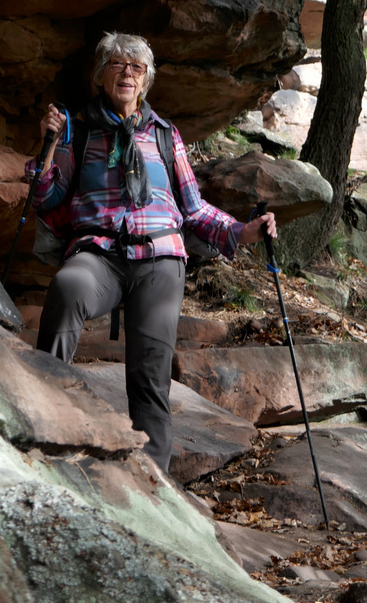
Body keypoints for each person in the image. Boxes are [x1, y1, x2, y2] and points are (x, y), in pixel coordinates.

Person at [27, 32, 276, 473]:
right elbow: (44, 198)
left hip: (160, 258)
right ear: (100, 76)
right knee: (68, 287)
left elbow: (193, 209)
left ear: (145, 82)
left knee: (150, 373)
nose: (127, 73)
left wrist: (243, 231)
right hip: (99, 252)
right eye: (118, 65)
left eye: (136, 68)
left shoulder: (165, 134)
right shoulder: (76, 128)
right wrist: (46, 147)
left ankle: (152, 479)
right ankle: (44, 426)